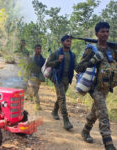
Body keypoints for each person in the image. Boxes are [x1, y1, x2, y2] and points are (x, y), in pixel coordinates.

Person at [76, 22, 116, 150]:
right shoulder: (91, 49)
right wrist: (93, 60)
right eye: (102, 31)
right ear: (96, 34)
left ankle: (85, 131)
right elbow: (79, 68)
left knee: (95, 111)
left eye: (107, 31)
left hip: (106, 87)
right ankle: (109, 144)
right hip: (95, 88)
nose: (105, 34)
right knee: (103, 113)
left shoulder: (112, 49)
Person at [46, 35, 76, 130]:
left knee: (60, 97)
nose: (69, 43)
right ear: (62, 42)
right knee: (62, 98)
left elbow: (76, 66)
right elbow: (48, 64)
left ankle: (54, 111)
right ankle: (66, 121)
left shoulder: (72, 55)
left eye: (70, 41)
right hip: (58, 78)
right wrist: (58, 61)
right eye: (67, 41)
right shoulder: (56, 53)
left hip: (67, 79)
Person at [26, 44, 45, 110]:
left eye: (39, 49)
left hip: (39, 77)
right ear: (35, 50)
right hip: (32, 76)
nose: (38, 50)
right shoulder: (31, 59)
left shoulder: (43, 60)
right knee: (35, 91)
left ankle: (30, 96)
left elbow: (45, 68)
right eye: (37, 49)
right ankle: (37, 105)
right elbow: (28, 67)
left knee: (36, 90)